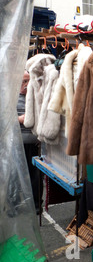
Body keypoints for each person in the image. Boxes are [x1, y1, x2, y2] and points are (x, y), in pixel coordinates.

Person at [17, 69, 42, 214]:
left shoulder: (35, 98)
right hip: (18, 145)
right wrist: (19, 119)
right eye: (23, 81)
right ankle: (16, 206)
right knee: (18, 176)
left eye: (28, 81)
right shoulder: (11, 98)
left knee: (36, 176)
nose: (26, 85)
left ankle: (37, 206)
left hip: (34, 144)